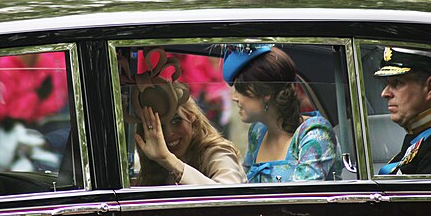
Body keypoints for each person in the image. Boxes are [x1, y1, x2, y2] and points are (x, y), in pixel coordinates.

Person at [222, 44, 342, 183]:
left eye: (241, 89)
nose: (234, 97)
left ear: (265, 93)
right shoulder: (257, 132)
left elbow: (301, 198)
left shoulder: (315, 134)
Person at [128, 48, 247, 185]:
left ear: (192, 117)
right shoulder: (154, 163)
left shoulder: (215, 152)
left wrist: (168, 160)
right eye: (158, 127)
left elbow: (228, 197)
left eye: (176, 121)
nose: (169, 133)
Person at [374, 47, 431, 175]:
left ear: (429, 88)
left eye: (397, 83)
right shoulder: (418, 140)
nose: (385, 93)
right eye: (387, 84)